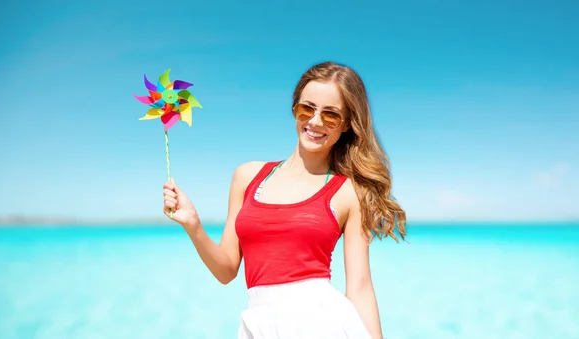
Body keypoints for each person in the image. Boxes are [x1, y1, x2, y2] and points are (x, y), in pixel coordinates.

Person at [162, 61, 407, 339]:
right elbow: (226, 270)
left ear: (347, 125)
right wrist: (193, 225)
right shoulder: (247, 177)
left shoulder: (349, 192)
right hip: (259, 325)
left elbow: (360, 287)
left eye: (331, 115)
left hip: (322, 324)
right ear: (295, 109)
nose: (315, 122)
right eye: (307, 109)